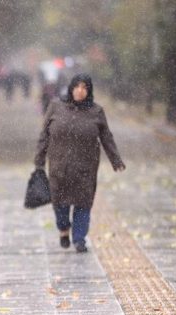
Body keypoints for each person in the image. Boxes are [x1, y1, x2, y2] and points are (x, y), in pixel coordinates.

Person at [34, 73, 125, 253]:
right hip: (60, 167)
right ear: (71, 88)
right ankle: (63, 228)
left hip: (86, 167)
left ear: (89, 91)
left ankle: (79, 238)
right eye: (77, 86)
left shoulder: (96, 112)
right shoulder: (55, 107)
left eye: (85, 88)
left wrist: (116, 160)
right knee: (60, 203)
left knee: (83, 203)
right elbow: (44, 135)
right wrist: (39, 160)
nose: (80, 91)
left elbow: (106, 137)